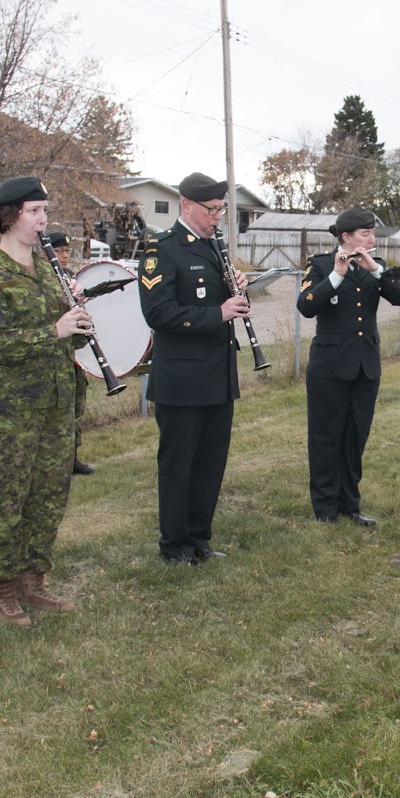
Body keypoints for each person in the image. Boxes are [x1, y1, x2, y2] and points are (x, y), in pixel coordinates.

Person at [0, 177, 89, 625]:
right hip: (5, 417)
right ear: (10, 215)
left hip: (53, 409)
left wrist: (75, 323)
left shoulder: (49, 272)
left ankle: (34, 584)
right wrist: (53, 330)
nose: (43, 221)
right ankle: (1, 590)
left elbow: (63, 344)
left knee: (48, 500)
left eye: (45, 213)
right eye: (35, 212)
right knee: (5, 505)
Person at [138, 172, 248, 566]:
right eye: (212, 209)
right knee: (178, 464)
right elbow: (158, 312)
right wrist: (217, 312)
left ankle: (199, 538)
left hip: (217, 375)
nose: (218, 217)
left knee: (210, 462)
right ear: (186, 205)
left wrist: (237, 289)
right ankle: (174, 544)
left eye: (221, 210)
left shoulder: (213, 248)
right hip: (182, 380)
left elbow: (220, 302)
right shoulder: (161, 250)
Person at [296, 207, 400, 525]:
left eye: (373, 233)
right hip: (329, 369)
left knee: (355, 436)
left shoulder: (378, 267)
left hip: (365, 367)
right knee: (325, 437)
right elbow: (306, 306)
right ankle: (325, 508)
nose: (372, 238)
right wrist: (336, 275)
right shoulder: (319, 265)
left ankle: (350, 504)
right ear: (346, 237)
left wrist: (374, 269)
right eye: (366, 233)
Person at [46, 230, 96, 476]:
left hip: (72, 353)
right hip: (53, 352)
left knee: (76, 406)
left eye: (67, 251)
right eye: (60, 252)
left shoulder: (68, 277)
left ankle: (73, 456)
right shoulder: (45, 279)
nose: (64, 256)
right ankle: (56, 460)